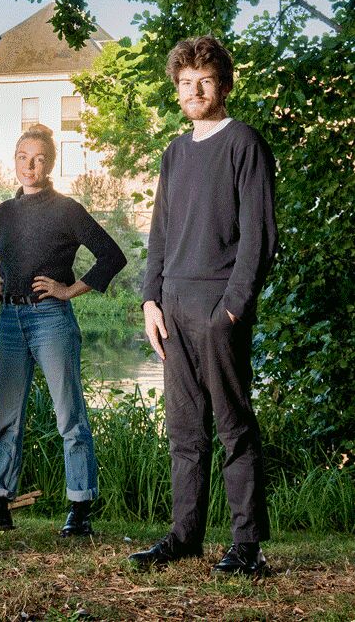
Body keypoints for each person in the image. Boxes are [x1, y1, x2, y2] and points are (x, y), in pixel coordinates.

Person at [128, 36, 277, 576]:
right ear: (176, 89)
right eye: (186, 82)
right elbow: (160, 234)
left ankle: (247, 546)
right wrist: (150, 300)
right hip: (172, 307)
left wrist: (232, 309)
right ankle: (185, 536)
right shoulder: (175, 152)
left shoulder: (244, 144)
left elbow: (259, 237)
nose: (194, 90)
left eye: (205, 81)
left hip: (218, 307)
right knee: (185, 432)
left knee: (234, 427)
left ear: (224, 85)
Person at [0, 124, 126, 537]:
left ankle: (80, 509)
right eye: (22, 157)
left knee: (70, 418)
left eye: (38, 159)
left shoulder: (68, 210)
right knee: (5, 420)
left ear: (49, 165)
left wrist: (68, 290)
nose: (29, 166)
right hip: (10, 322)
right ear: (14, 160)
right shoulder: (5, 212)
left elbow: (111, 256)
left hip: (51, 320)